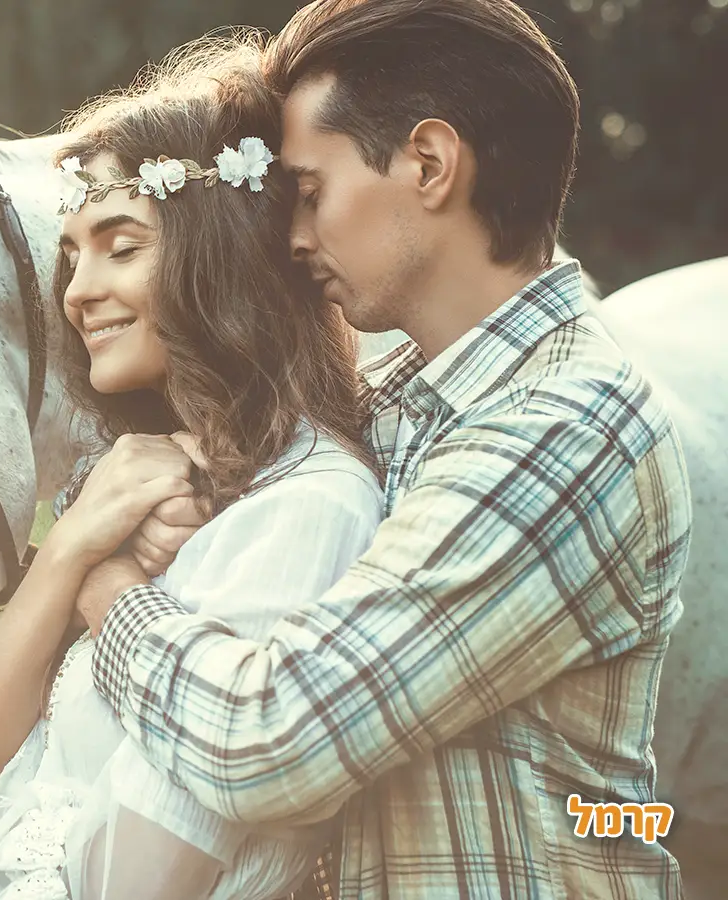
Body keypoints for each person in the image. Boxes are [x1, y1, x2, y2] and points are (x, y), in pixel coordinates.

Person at [72, 1, 693, 897]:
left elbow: (273, 741)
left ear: (430, 165)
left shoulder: (563, 431)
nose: (292, 236)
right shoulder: (397, 395)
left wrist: (107, 584)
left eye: (312, 193)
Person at [0, 36, 385, 900]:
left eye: (121, 246)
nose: (77, 289)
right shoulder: (135, 485)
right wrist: (78, 546)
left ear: (221, 257)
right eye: (73, 253)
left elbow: (133, 885)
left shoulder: (306, 511)